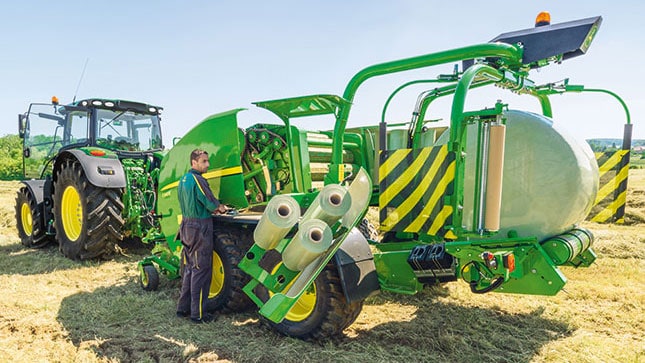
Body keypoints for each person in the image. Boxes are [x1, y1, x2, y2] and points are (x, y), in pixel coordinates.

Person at [176, 149, 227, 323]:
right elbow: (209, 202)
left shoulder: (183, 180)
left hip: (187, 225)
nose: (207, 164)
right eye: (204, 161)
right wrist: (220, 207)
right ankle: (198, 314)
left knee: (190, 268)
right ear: (194, 162)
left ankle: (183, 309)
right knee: (201, 270)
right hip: (199, 227)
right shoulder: (198, 180)